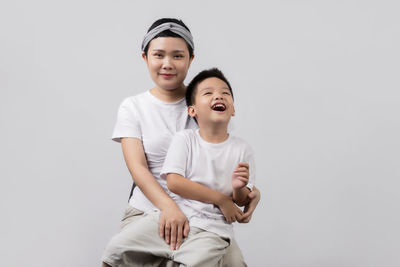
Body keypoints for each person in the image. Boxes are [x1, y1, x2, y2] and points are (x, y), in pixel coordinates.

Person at [101, 18, 260, 267]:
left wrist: (250, 194)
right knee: (114, 255)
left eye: (177, 56)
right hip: (148, 210)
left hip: (203, 213)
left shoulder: (206, 102)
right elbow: (138, 168)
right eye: (158, 55)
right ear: (145, 58)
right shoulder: (133, 107)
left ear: (190, 59)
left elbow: (224, 161)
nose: (167, 64)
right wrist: (169, 208)